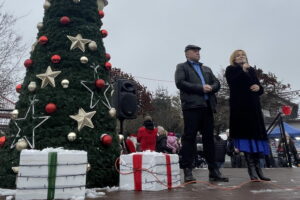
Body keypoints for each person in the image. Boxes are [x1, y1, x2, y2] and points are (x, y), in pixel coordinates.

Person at [175, 44, 228, 182]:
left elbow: (217, 83)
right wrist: (200, 88)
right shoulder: (182, 67)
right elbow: (180, 82)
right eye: (194, 51)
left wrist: (212, 87)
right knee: (189, 138)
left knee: (209, 139)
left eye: (198, 51)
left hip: (207, 107)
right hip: (191, 107)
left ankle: (214, 171)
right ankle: (187, 170)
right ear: (187, 54)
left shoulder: (206, 69)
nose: (198, 53)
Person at [225, 49, 271, 181]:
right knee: (247, 140)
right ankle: (252, 172)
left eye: (243, 55)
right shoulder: (231, 69)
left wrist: (258, 88)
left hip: (254, 109)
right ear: (234, 59)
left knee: (256, 141)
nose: (241, 57)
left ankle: (259, 170)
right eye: (238, 55)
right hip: (241, 109)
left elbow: (259, 87)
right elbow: (233, 83)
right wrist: (243, 70)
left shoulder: (251, 70)